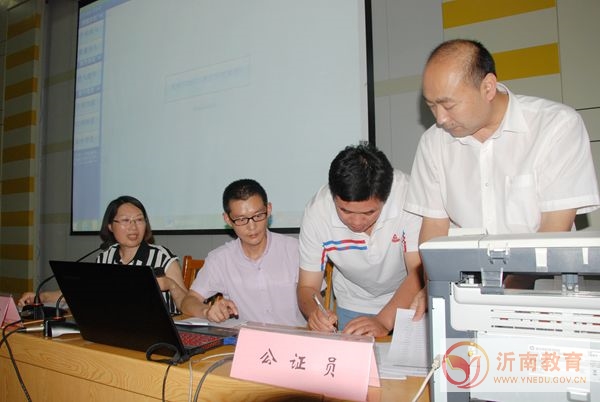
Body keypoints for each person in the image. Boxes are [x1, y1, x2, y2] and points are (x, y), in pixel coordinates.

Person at [405, 39, 600, 290]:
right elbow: (434, 227)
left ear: (488, 87)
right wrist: (434, 288)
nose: (441, 118)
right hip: (466, 290)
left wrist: (509, 293)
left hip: (543, 288)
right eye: (432, 106)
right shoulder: (433, 143)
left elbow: (554, 227)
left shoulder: (556, 126)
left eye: (449, 105)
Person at [297, 143, 424, 337]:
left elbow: (417, 273)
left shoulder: (409, 197)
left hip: (408, 299)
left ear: (385, 198)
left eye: (369, 212)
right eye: (345, 211)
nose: (356, 222)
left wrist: (383, 321)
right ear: (333, 196)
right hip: (353, 303)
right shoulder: (317, 213)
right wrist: (315, 313)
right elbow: (307, 286)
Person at [18, 195, 188, 311]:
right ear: (110, 226)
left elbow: (186, 304)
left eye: (139, 220)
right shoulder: (106, 257)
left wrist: (170, 285)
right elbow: (84, 292)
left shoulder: (162, 257)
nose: (133, 227)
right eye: (125, 220)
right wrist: (41, 297)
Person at [180, 179, 306, 327]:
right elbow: (188, 301)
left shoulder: (294, 250)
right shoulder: (220, 259)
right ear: (227, 219)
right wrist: (207, 311)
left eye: (258, 215)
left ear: (269, 209)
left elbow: (313, 299)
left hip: (293, 337)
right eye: (241, 219)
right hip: (245, 338)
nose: (252, 227)